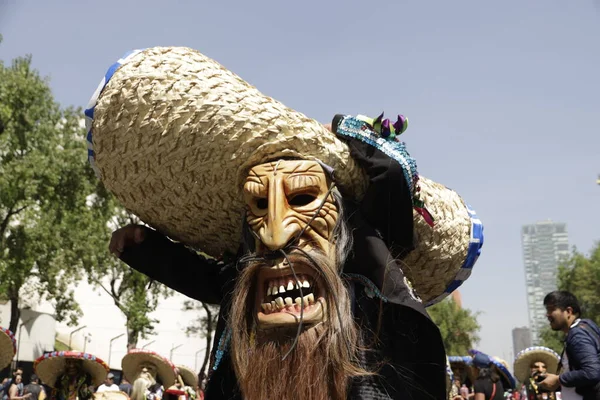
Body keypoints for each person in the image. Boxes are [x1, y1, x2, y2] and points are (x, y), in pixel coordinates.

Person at [89, 46, 484, 400]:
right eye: (260, 203)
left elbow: (391, 178)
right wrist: (146, 249)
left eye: (301, 198)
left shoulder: (366, 264)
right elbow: (215, 282)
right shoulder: (252, 271)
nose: (276, 233)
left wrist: (344, 130)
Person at [539, 291, 600, 399]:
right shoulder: (584, 327)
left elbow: (592, 372)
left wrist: (558, 380)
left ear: (568, 311)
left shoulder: (578, 335)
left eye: (551, 309)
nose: (547, 315)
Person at [33, 351, 109, 400]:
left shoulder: (86, 378)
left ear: (80, 364)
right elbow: (54, 395)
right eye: (69, 362)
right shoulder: (61, 379)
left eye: (75, 362)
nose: (71, 366)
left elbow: (89, 395)